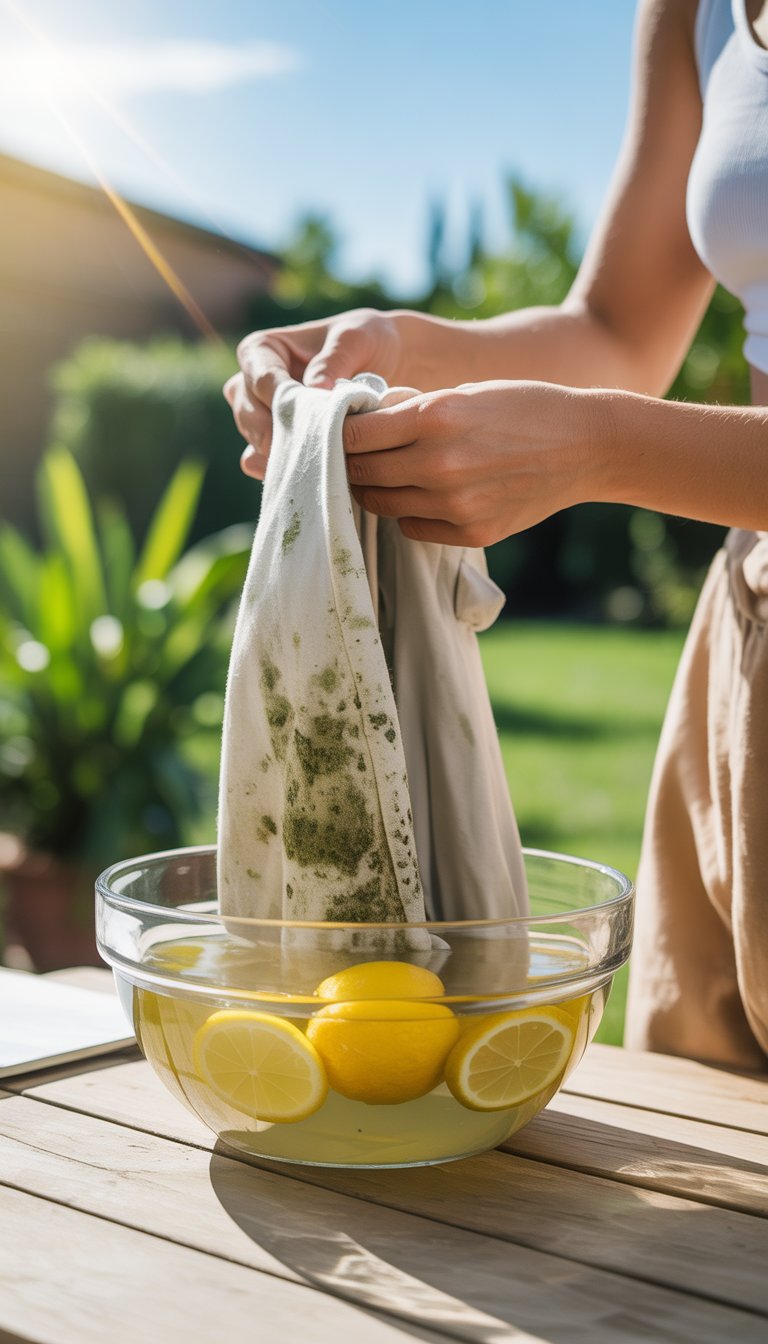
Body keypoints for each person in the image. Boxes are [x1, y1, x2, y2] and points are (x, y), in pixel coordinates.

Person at [224, 0, 768, 1071]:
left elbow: (615, 411)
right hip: (746, 630)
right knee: (702, 1170)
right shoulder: (697, 11)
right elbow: (616, 331)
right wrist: (394, 350)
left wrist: (604, 450)